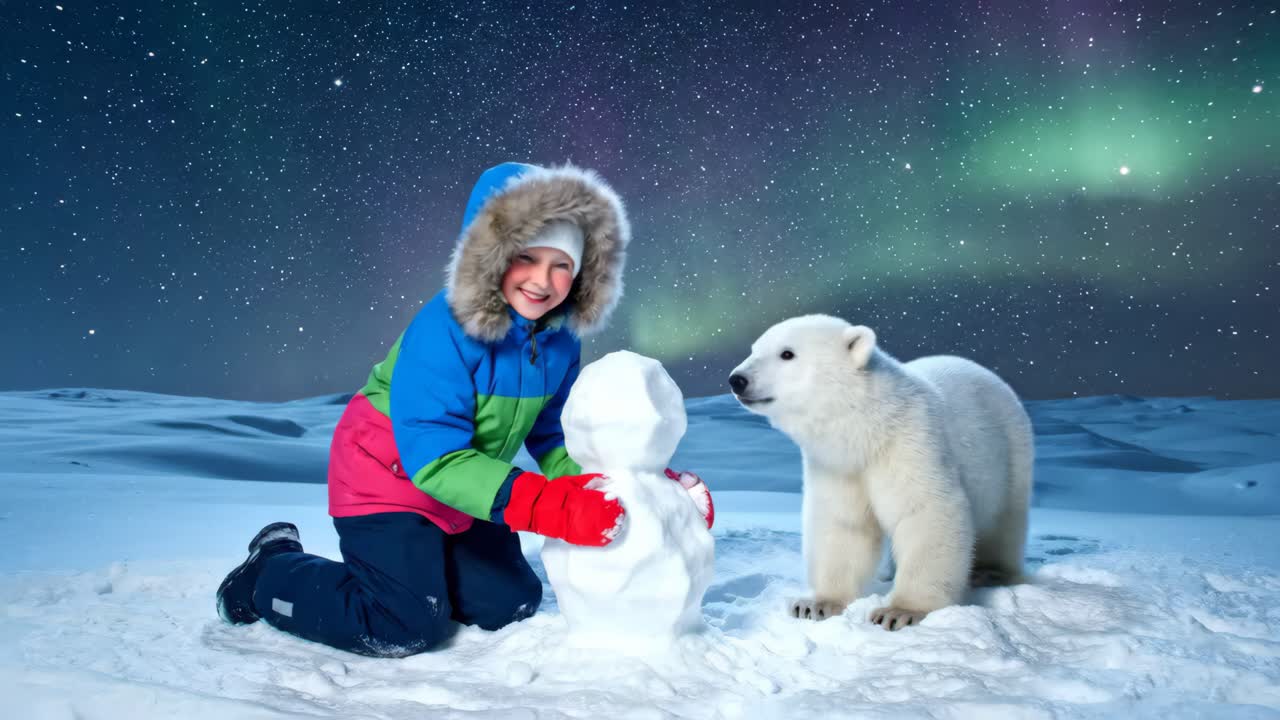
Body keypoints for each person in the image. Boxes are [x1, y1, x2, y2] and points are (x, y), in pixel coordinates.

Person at [214, 161, 687, 658]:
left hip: (468, 487)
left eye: (562, 264)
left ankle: (426, 567)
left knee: (512, 605)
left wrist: (635, 487)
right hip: (387, 483)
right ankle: (269, 569)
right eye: (526, 256)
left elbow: (555, 435)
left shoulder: (558, 341)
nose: (543, 281)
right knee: (402, 626)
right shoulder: (444, 330)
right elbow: (435, 458)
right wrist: (552, 506)